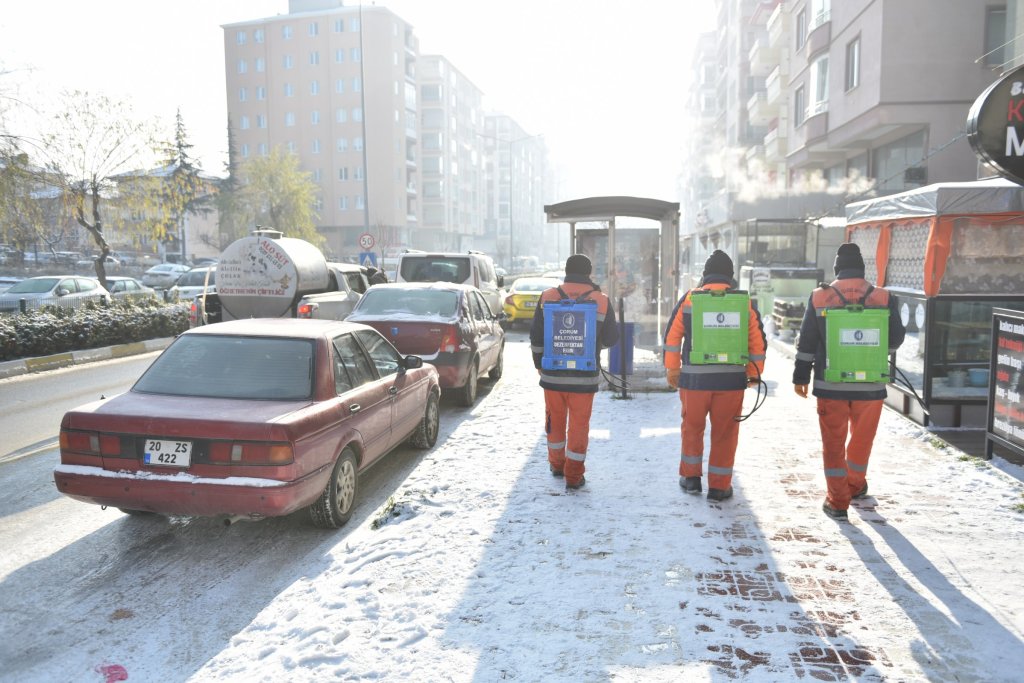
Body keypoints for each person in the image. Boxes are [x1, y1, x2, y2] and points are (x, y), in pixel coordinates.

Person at [792, 242, 906, 521]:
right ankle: (855, 486)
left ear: (837, 268)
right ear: (861, 268)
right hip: (871, 385)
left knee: (833, 442)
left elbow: (807, 341)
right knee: (862, 440)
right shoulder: (882, 296)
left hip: (831, 385)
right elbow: (895, 339)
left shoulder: (820, 296)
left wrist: (800, 376)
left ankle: (837, 501)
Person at [663, 250, 766, 502]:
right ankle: (719, 487)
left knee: (692, 427)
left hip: (694, 381)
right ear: (730, 276)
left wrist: (673, 368)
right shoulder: (744, 302)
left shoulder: (690, 299)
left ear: (705, 274)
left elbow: (672, 337)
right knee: (725, 432)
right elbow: (757, 342)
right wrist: (753, 374)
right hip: (730, 382)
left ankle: (691, 479)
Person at [530, 254, 619, 490]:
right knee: (579, 426)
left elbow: (536, 336)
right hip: (584, 378)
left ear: (567, 271)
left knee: (555, 422)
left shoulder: (548, 296)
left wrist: (539, 363)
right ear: (588, 273)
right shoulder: (601, 300)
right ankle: (574, 476)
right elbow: (611, 338)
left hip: (552, 375)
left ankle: (557, 465)